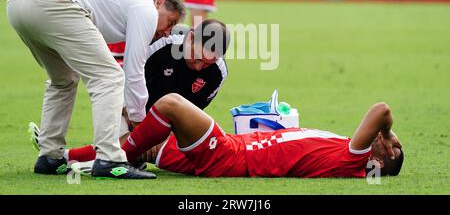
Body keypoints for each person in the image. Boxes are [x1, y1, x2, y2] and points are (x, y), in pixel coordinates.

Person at [7, 0, 185, 179]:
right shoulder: (145, 7)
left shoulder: (120, 0)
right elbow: (134, 70)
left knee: (63, 80)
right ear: (159, 3)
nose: (168, 32)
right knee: (109, 77)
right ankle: (110, 159)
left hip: (18, 0)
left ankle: (50, 157)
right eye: (171, 22)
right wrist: (140, 123)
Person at [29, 19, 230, 164]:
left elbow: (190, 115)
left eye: (207, 63)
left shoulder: (217, 73)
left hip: (166, 123)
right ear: (191, 37)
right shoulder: (162, 45)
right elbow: (120, 82)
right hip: (130, 108)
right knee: (120, 149)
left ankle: (64, 157)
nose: (198, 67)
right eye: (196, 58)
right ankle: (60, 156)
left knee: (133, 152)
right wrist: (139, 125)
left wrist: (160, 138)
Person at [69, 94, 403, 178]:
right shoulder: (345, 151)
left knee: (170, 104)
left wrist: (386, 130)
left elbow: (381, 109)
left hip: (231, 157)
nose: (389, 139)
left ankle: (115, 160)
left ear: (380, 158)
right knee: (145, 141)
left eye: (392, 146)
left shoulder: (354, 160)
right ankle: (65, 159)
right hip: (234, 147)